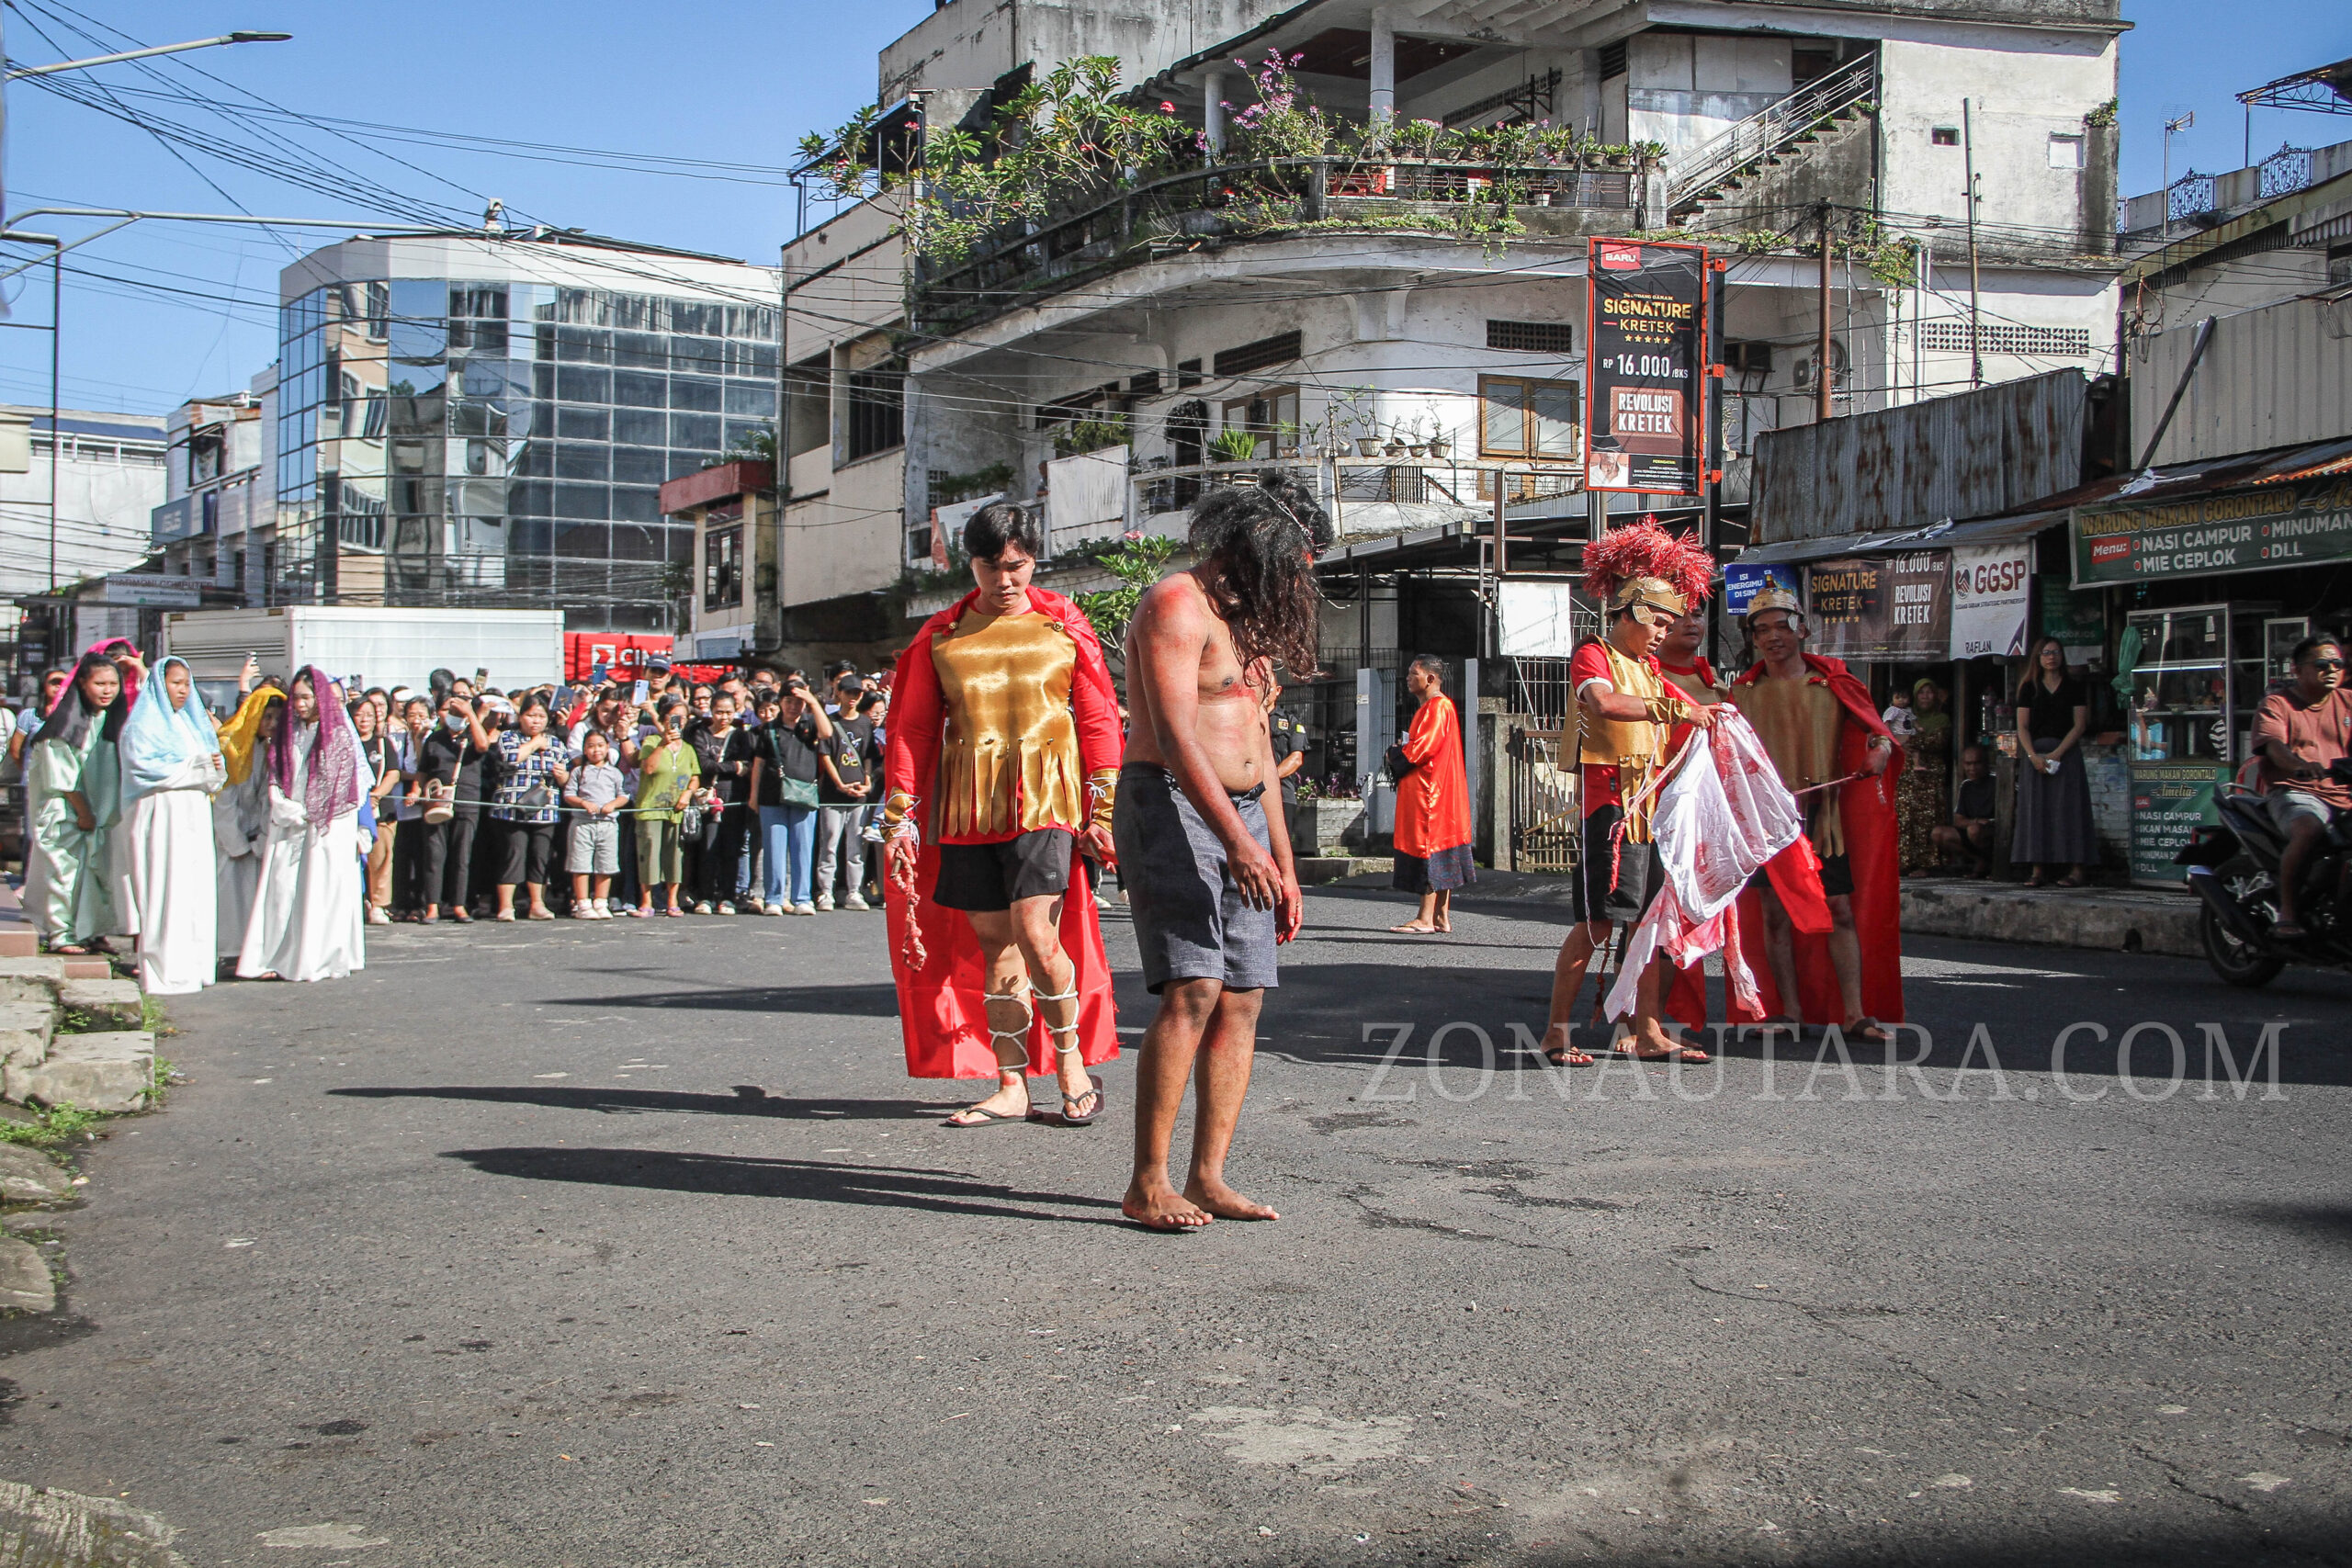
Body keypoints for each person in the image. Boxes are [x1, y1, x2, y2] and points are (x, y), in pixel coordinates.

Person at [1117, 477, 1329, 1227]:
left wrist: (1284, 859)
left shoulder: (1247, 623)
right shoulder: (1178, 601)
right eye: (1288, 566)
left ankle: (1208, 1175)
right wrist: (1239, 843)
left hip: (1242, 817)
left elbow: (1259, 750)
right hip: (1168, 801)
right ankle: (1149, 1181)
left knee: (1243, 997)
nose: (1293, 583)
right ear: (1249, 549)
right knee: (1195, 989)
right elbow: (1176, 737)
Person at [880, 500, 1121, 1130]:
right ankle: (1011, 1082)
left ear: (1033, 560)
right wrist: (900, 811)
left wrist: (1106, 808)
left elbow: (1097, 717)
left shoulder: (1065, 623)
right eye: (992, 566)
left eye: (1016, 565)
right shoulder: (940, 634)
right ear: (973, 564)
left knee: (1038, 935)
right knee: (997, 946)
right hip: (966, 805)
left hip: (1046, 798)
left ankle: (1070, 1064)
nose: (1006, 580)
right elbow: (911, 728)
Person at [1536, 523, 1719, 1067]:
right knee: (1595, 924)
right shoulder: (1594, 655)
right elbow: (1604, 705)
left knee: (1650, 925)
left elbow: (1683, 713)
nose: (1664, 632)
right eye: (1657, 621)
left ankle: (1648, 1031)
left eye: (1670, 623)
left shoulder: (1651, 667)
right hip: (1610, 810)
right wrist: (1679, 708)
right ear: (1629, 613)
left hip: (1651, 809)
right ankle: (1554, 1032)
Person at [1729, 585, 1904, 1042]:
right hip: (1769, 822)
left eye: (1781, 626)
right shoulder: (1742, 695)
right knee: (1774, 916)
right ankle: (1789, 1012)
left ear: (1801, 629)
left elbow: (1877, 731)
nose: (1772, 637)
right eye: (1761, 629)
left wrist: (1880, 750)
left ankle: (1854, 1013)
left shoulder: (1832, 684)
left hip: (1823, 820)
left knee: (1840, 910)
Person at [238, 667, 368, 983]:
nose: (299, 704)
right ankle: (276, 956)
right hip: (289, 823)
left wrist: (310, 812)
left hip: (325, 829)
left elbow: (341, 783)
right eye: (296, 697)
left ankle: (316, 957)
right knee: (282, 892)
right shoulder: (288, 732)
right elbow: (277, 773)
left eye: (306, 697)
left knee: (318, 893)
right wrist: (284, 805)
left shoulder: (337, 734)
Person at [119, 655, 225, 995]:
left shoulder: (193, 725)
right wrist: (196, 765)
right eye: (174, 682)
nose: (181, 690)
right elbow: (142, 768)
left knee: (193, 888)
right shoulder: (143, 724)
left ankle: (194, 965)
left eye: (185, 684)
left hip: (193, 813)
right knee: (166, 888)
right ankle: (164, 968)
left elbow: (213, 773)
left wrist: (211, 767)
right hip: (162, 814)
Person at [23, 651, 125, 954]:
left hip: (100, 816)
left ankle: (92, 931)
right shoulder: (63, 726)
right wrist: (84, 813)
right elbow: (63, 779)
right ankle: (62, 933)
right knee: (65, 874)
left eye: (113, 683)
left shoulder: (108, 720)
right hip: (66, 814)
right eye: (100, 683)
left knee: (96, 875)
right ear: (82, 684)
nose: (107, 690)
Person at [2254, 634, 2352, 941]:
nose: (2332, 669)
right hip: (2296, 791)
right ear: (2296, 669)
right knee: (2309, 829)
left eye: (2338, 663)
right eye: (2322, 664)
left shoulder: (2348, 701)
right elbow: (2273, 745)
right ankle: (2288, 912)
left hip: (2344, 794)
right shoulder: (2278, 703)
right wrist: (2297, 765)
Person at [1387, 655, 1475, 933]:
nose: (1408, 678)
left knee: (1430, 849)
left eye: (1414, 673)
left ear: (1431, 678)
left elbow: (1424, 747)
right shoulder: (1435, 707)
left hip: (1431, 794)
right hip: (1437, 790)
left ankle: (1426, 918)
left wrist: (1395, 754)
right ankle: (1440, 916)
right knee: (1442, 850)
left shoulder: (1437, 707)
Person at [2013, 637, 2095, 888]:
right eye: (2046, 653)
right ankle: (2037, 869)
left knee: (2070, 810)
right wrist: (2032, 756)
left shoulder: (2073, 686)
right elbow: (2022, 726)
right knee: (2036, 811)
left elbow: (2080, 724)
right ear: (2038, 657)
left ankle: (2076, 869)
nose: (2051, 657)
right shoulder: (2029, 687)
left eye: (2056, 652)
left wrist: (2058, 753)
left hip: (2065, 753)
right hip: (2035, 754)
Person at [212, 683, 282, 963]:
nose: (273, 724)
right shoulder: (230, 745)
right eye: (267, 717)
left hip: (254, 837)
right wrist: (238, 842)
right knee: (228, 896)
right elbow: (222, 798)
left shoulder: (269, 750)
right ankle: (226, 952)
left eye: (278, 719)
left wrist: (260, 838)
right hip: (228, 837)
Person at [750, 678, 829, 915]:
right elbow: (758, 765)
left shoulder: (809, 725)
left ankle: (802, 897)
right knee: (774, 849)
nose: (793, 707)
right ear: (781, 702)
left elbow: (827, 732)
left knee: (803, 848)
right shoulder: (769, 729)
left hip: (804, 794)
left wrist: (812, 702)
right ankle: (774, 898)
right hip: (772, 795)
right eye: (788, 701)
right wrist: (753, 795)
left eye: (798, 702)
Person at [488, 695, 570, 920]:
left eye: (541, 716)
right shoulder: (509, 737)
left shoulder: (556, 743)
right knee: (513, 854)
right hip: (513, 807)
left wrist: (563, 777)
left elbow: (566, 775)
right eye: (531, 715)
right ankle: (506, 906)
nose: (536, 721)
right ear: (521, 716)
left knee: (540, 856)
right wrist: (534, 743)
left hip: (546, 809)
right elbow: (511, 758)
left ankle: (537, 904)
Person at [632, 700, 702, 918]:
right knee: (649, 853)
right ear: (663, 719)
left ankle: (672, 900)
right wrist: (663, 743)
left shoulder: (688, 749)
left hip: (676, 808)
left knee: (674, 854)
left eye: (682, 717)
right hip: (651, 807)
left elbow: (695, 777)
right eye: (673, 717)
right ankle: (646, 900)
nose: (677, 722)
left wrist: (688, 793)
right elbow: (649, 768)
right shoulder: (651, 741)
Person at [814, 672, 876, 911]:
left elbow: (869, 756)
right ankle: (826, 891)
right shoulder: (830, 721)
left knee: (856, 846)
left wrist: (868, 781)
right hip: (832, 793)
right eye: (849, 692)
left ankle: (854, 891)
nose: (853, 698)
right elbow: (825, 755)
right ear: (838, 693)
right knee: (829, 844)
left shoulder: (865, 723)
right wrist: (839, 783)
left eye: (857, 694)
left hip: (859, 792)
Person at [690, 692, 755, 914]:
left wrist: (737, 767)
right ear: (711, 710)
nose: (723, 717)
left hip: (734, 796)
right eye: (719, 712)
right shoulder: (701, 733)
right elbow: (703, 764)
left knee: (731, 848)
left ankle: (728, 896)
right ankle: (705, 895)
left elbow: (747, 763)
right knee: (708, 847)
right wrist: (732, 767)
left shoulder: (740, 735)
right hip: (708, 795)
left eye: (728, 712)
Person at [563, 728, 628, 919]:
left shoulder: (615, 772)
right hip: (583, 824)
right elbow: (568, 795)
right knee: (581, 865)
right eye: (590, 746)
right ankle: (583, 904)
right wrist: (583, 803)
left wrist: (613, 805)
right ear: (584, 749)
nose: (596, 750)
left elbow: (623, 795)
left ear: (608, 747)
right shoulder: (578, 771)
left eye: (600, 746)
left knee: (605, 865)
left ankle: (601, 902)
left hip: (608, 825)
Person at [1896, 679, 1954, 874]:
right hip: (1907, 776)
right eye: (1921, 692)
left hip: (1931, 775)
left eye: (1930, 692)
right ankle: (1904, 861)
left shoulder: (1941, 720)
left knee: (1927, 821)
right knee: (1905, 818)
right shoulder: (1906, 716)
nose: (1925, 696)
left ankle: (1928, 864)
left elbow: (1937, 742)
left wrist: (1909, 740)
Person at [352, 697, 400, 924]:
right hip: (352, 809)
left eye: (369, 715)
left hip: (380, 810)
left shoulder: (384, 744)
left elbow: (394, 773)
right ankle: (359, 901)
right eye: (359, 714)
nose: (364, 720)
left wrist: (376, 794)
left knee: (381, 858)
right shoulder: (346, 743)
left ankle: (379, 904)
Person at [389, 696, 432, 919]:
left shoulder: (432, 738)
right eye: (412, 715)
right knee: (402, 856)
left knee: (423, 856)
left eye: (421, 715)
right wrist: (415, 778)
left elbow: (429, 767)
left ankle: (421, 903)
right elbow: (397, 769)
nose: (416, 720)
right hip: (402, 804)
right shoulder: (398, 739)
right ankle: (401, 903)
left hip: (426, 806)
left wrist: (418, 781)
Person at [1933, 744, 1996, 876]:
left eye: (1976, 763)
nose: (1972, 768)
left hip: (1993, 831)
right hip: (1973, 829)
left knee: (1974, 830)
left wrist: (1985, 823)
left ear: (1986, 763)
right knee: (1938, 833)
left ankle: (1993, 862)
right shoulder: (1966, 785)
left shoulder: (1997, 781)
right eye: (1968, 764)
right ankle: (1980, 860)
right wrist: (1975, 821)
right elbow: (1958, 820)